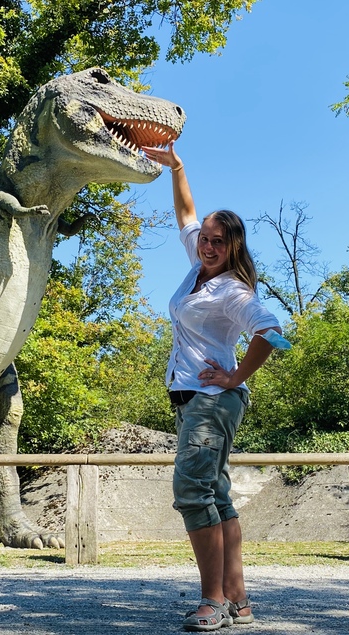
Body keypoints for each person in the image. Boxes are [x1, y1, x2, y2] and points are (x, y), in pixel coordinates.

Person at [142, 141, 287, 631]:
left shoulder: (232, 290)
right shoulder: (197, 270)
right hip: (192, 400)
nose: (206, 245)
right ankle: (239, 602)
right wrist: (177, 168)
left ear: (233, 247)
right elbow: (186, 213)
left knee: (192, 491)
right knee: (216, 495)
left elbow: (272, 333)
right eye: (205, 239)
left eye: (217, 242)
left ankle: (213, 601)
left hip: (212, 399)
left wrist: (236, 375)